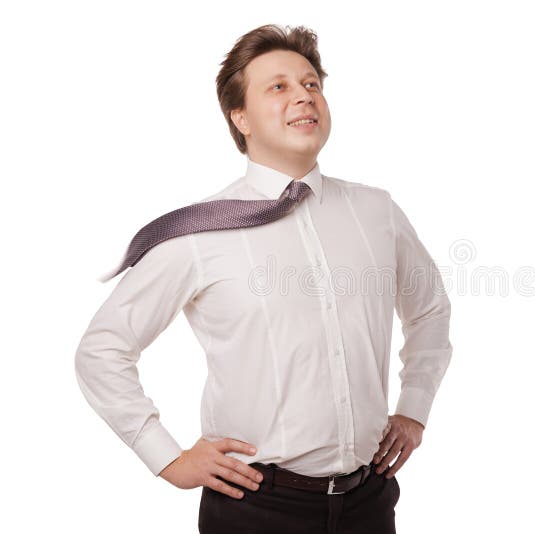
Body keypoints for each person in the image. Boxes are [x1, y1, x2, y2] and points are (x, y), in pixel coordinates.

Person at [74, 23, 453, 534]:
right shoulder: (199, 231)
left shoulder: (375, 211)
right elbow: (102, 349)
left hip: (369, 502)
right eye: (279, 87)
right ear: (240, 117)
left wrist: (414, 408)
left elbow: (429, 307)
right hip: (255, 509)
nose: (304, 96)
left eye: (312, 84)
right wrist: (165, 456)